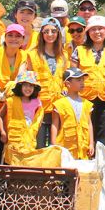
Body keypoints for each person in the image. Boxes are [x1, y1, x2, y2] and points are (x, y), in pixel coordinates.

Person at [72, 16, 105, 148]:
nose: (97, 32)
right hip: (84, 101)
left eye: (100, 28)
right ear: (88, 32)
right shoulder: (79, 51)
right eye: (93, 29)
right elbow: (72, 77)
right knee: (84, 136)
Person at [0, 24, 27, 163]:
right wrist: (0, 95)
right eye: (10, 35)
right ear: (5, 36)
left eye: (18, 36)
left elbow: (20, 79)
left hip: (14, 102)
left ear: (23, 39)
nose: (13, 39)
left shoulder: (24, 56)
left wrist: (9, 96)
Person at [27, 17, 69, 147]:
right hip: (39, 105)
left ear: (58, 33)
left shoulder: (64, 55)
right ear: (41, 34)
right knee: (39, 144)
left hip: (58, 105)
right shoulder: (32, 54)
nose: (50, 35)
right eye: (46, 31)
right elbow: (29, 79)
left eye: (53, 31)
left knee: (56, 144)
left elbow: (65, 79)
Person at [0, 71, 44, 163]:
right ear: (20, 86)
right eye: (25, 85)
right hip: (14, 139)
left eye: (31, 86)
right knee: (12, 162)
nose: (28, 88)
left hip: (29, 140)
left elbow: (37, 121)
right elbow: (0, 115)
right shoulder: (11, 101)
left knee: (27, 163)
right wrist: (3, 132)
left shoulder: (37, 103)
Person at [51, 67, 94, 159]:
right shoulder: (59, 104)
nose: (82, 82)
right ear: (68, 84)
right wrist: (54, 144)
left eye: (82, 80)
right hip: (65, 149)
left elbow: (89, 124)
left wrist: (91, 143)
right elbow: (54, 125)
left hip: (83, 150)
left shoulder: (86, 104)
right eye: (78, 80)